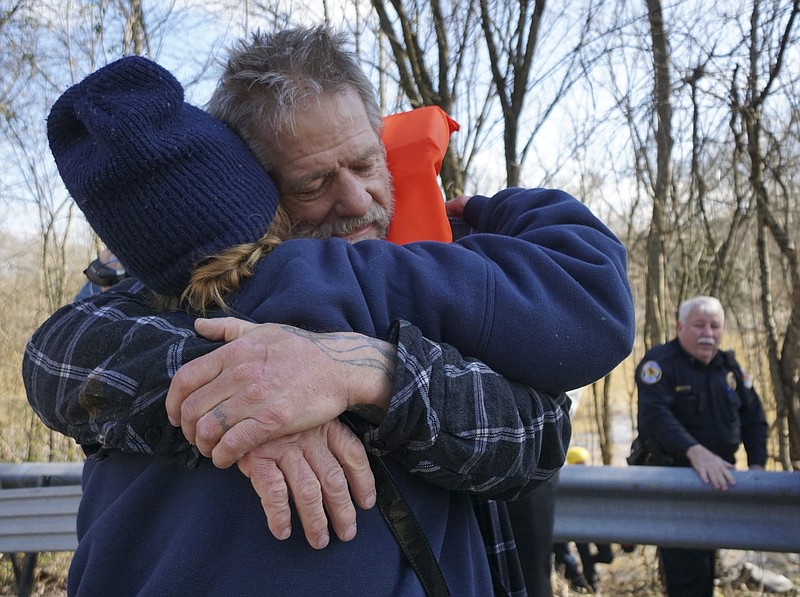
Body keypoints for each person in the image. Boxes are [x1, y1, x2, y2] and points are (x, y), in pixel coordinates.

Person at [25, 28, 635, 596]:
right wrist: (247, 379)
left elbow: (539, 434)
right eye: (313, 184)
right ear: (256, 187)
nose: (356, 200)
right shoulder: (142, 308)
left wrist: (372, 373)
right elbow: (56, 356)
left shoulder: (446, 260)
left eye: (368, 164)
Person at [633, 295, 767, 597]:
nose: (708, 333)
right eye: (699, 325)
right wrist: (697, 453)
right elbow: (655, 418)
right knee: (688, 579)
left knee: (706, 569)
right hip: (674, 485)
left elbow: (755, 419)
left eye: (715, 326)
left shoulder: (729, 367)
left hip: (718, 483)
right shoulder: (660, 364)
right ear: (680, 327)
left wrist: (758, 468)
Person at [551, 446, 614, 594]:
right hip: (578, 523)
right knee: (585, 558)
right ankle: (592, 587)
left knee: (607, 556)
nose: (583, 465)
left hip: (596, 522)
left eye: (584, 462)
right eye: (580, 463)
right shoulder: (567, 479)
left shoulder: (594, 476)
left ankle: (590, 576)